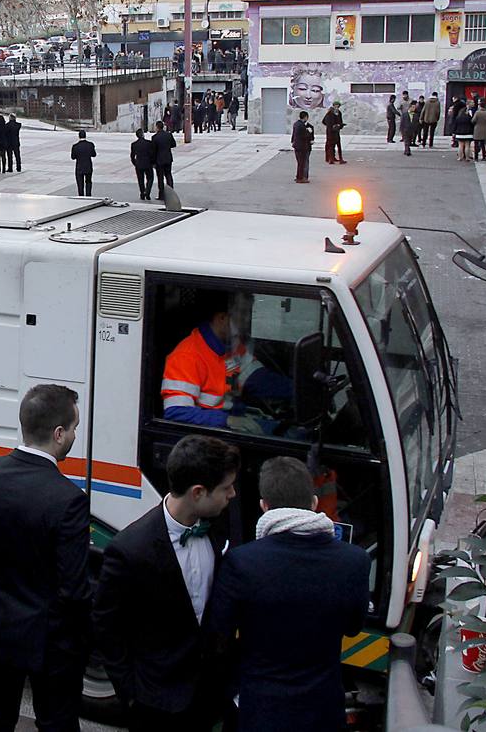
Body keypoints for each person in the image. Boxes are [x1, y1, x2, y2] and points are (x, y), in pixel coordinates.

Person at [206, 457, 369, 732]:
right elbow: (353, 627)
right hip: (322, 709)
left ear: (264, 506)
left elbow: (218, 636)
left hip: (259, 709)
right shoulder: (355, 561)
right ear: (314, 503)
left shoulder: (242, 562)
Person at [93, 435, 239, 731]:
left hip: (207, 694)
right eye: (226, 488)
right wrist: (131, 694)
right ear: (198, 492)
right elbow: (107, 627)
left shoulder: (218, 524)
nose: (233, 494)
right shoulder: (130, 549)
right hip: (155, 703)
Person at [0, 385, 91, 732]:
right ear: (58, 433)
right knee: (56, 723)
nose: (74, 436)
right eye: (73, 428)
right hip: (48, 639)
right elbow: (74, 589)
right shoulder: (69, 500)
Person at [160, 296, 287, 431]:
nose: (248, 320)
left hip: (234, 418)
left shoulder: (231, 345)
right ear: (222, 318)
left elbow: (259, 380)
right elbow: (176, 412)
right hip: (209, 433)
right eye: (243, 313)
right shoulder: (187, 356)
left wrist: (298, 390)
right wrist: (228, 420)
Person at [151, 120, 176, 200]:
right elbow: (173, 144)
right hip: (168, 158)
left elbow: (153, 150)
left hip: (159, 160)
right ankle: (171, 193)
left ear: (157, 127)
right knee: (168, 175)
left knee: (160, 178)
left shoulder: (154, 137)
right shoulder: (169, 135)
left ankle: (161, 195)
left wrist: (153, 162)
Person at [130, 127, 156, 201]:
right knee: (150, 178)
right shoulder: (149, 143)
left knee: (140, 179)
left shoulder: (134, 144)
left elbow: (132, 156)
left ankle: (142, 193)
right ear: (143, 135)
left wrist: (135, 163)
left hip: (139, 164)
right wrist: (152, 162)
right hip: (148, 163)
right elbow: (152, 154)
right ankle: (147, 192)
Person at [291, 111, 314, 183]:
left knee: (299, 162)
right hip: (302, 147)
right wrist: (309, 132)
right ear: (306, 117)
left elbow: (294, 134)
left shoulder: (296, 124)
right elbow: (304, 136)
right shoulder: (302, 126)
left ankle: (298, 176)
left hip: (296, 146)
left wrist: (292, 141)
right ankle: (301, 178)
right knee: (302, 163)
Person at [71, 129, 96, 196]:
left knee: (80, 184)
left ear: (79, 136)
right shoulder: (90, 145)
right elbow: (94, 154)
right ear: (85, 136)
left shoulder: (75, 146)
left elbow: (73, 157)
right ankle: (88, 195)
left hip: (79, 167)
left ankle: (81, 196)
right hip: (88, 166)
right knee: (88, 182)